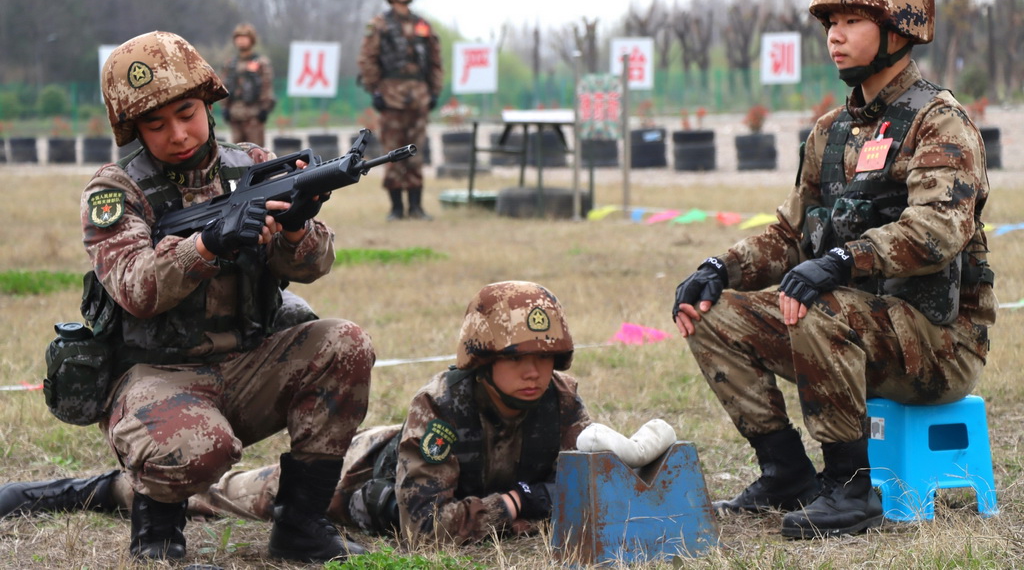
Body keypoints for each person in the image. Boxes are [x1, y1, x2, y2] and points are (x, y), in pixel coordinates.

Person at [672, 0, 995, 539]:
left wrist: (844, 259)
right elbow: (792, 236)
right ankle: (787, 473)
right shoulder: (831, 132)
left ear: (899, 29)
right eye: (829, 24)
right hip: (853, 326)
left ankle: (851, 491)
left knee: (822, 306)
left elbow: (937, 232)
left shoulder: (940, 122)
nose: (835, 36)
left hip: (941, 341)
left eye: (852, 21)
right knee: (711, 314)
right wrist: (719, 267)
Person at [2, 282, 672, 546]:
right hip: (359, 478)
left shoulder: (559, 400)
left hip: (449, 485)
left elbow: (604, 475)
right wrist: (520, 501)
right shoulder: (441, 407)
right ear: (480, 356)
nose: (537, 370)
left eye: (548, 356)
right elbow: (425, 534)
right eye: (520, 356)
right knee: (222, 492)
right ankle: (92, 488)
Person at [62, 30, 373, 562]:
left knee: (345, 344)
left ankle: (300, 524)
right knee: (201, 446)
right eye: (155, 125)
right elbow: (136, 287)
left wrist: (296, 230)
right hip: (155, 376)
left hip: (247, 362)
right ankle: (157, 532)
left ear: (207, 101)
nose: (178, 134)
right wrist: (205, 246)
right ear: (132, 129)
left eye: (187, 113)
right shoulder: (116, 192)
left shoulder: (253, 164)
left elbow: (316, 265)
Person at [358, 0, 443, 221]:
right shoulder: (380, 25)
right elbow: (367, 60)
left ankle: (416, 206)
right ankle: (396, 208)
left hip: (419, 97)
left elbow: (436, 62)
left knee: (417, 152)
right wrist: (375, 90)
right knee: (393, 152)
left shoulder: (423, 25)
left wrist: (434, 91)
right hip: (391, 97)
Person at [221, 23, 276, 147]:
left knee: (256, 153)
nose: (241, 41)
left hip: (254, 116)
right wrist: (225, 107)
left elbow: (266, 86)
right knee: (236, 153)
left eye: (244, 37)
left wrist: (264, 109)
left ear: (252, 40)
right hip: (235, 115)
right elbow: (224, 85)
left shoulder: (261, 63)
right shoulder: (230, 64)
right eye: (238, 37)